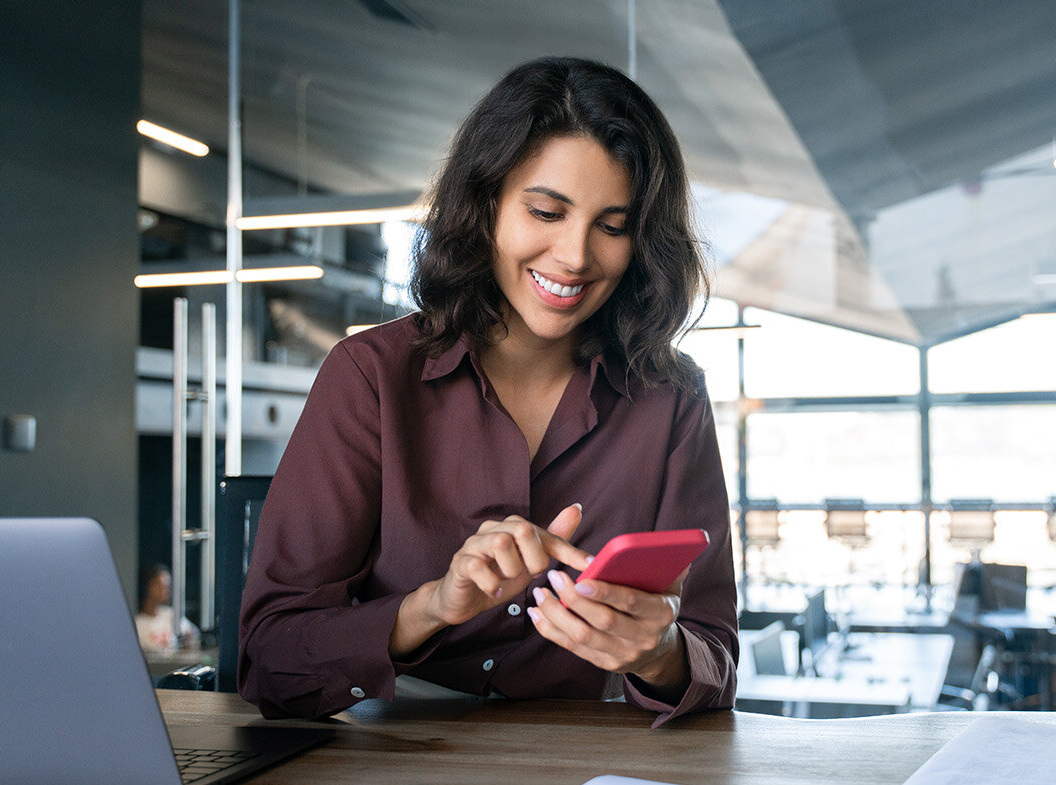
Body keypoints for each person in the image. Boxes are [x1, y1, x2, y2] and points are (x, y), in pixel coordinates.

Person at [237, 57, 737, 727]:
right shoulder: (370, 375)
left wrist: (660, 652)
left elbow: (713, 658)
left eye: (613, 226)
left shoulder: (671, 397)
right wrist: (432, 605)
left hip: (582, 753)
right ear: (485, 204)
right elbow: (268, 658)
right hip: (394, 750)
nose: (575, 256)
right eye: (546, 211)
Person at [135, 563, 200, 653]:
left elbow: (193, 635)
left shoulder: (170, 615)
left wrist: (187, 641)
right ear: (147, 587)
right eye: (160, 585)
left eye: (167, 586)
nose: (166, 590)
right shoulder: (137, 623)